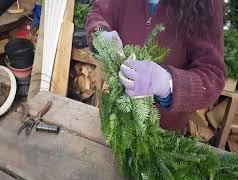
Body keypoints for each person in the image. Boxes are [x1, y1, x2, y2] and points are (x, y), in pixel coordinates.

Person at [85, 0, 225, 133]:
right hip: (113, 120)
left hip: (163, 136)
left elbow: (213, 76)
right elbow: (98, 14)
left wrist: (168, 84)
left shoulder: (208, 4)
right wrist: (101, 33)